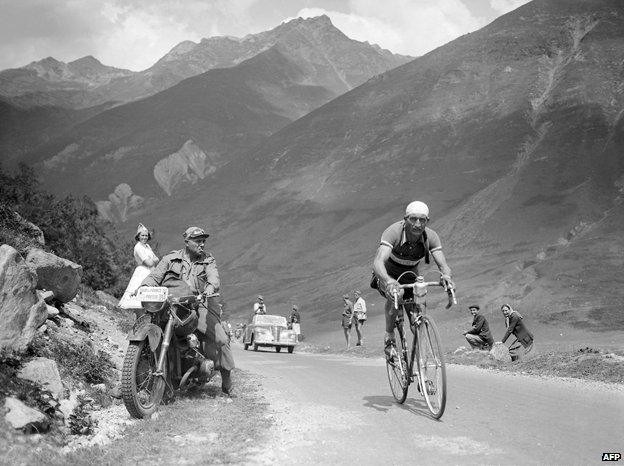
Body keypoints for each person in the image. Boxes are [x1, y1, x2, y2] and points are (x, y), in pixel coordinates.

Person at [137, 226, 235, 395]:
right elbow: (155, 276)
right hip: (173, 302)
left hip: (199, 303)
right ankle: (132, 380)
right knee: (146, 326)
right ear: (187, 242)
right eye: (198, 241)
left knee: (221, 338)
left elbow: (213, 278)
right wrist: (146, 285)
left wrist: (210, 288)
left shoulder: (208, 260)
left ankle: (227, 379)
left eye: (203, 241)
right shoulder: (170, 259)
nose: (202, 244)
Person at [372, 201, 455, 362]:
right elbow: (378, 262)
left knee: (417, 315)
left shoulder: (430, 236)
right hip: (387, 275)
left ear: (427, 221)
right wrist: (389, 282)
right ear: (405, 219)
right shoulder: (393, 232)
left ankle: (422, 364)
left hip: (410, 275)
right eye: (413, 219)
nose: (418, 224)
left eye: (422, 220)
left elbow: (444, 265)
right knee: (398, 293)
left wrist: (447, 277)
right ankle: (389, 335)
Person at [118, 224, 160, 309]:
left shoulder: (147, 246)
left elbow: (157, 259)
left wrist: (153, 260)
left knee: (149, 296)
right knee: (139, 297)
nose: (144, 237)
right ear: (138, 236)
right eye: (142, 235)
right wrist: (153, 260)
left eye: (146, 235)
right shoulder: (138, 247)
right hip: (142, 271)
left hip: (151, 271)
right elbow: (149, 263)